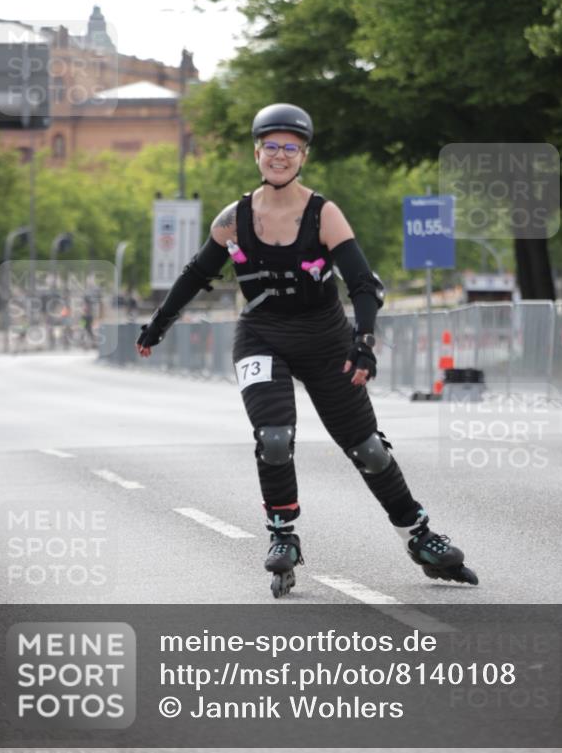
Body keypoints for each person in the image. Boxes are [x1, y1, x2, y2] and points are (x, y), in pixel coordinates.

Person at [136, 104, 477, 596]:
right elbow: (195, 274)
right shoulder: (233, 219)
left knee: (369, 450)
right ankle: (282, 536)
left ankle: (419, 535)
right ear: (257, 153)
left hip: (325, 339)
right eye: (270, 146)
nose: (279, 155)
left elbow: (363, 284)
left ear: (303, 155)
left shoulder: (323, 214)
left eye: (289, 148)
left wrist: (363, 342)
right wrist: (158, 324)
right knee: (274, 438)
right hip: (261, 337)